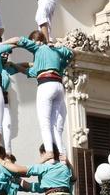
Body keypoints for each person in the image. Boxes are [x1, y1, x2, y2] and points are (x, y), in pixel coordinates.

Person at [6, 31, 73, 161]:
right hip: (59, 86)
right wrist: (59, 48)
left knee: (45, 122)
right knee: (55, 126)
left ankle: (49, 152)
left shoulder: (38, 48)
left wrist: (1, 44)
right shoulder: (55, 51)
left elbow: (18, 39)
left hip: (46, 85)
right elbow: (69, 54)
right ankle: (62, 154)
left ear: (36, 41)